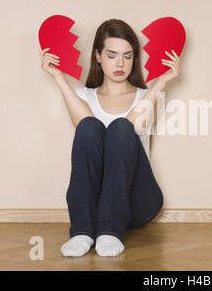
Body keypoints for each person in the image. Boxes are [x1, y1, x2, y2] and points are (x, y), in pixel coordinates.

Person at [38, 18, 181, 257]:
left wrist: (162, 82)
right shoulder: (84, 97)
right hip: (93, 202)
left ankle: (110, 231)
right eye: (112, 55)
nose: (120, 63)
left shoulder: (148, 96)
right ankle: (83, 231)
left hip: (137, 202)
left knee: (121, 128)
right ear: (98, 56)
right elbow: (83, 126)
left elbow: (132, 126)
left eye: (127, 56)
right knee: (89, 127)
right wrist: (58, 78)